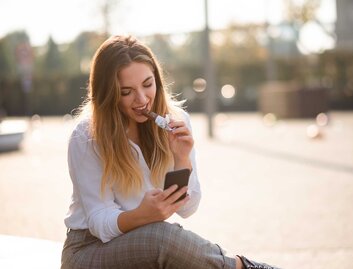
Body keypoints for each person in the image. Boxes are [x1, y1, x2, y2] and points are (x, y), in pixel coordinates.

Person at [61, 35, 281, 269]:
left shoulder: (175, 121)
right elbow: (99, 222)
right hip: (89, 250)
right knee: (162, 239)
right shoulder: (87, 136)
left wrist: (182, 158)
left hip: (145, 240)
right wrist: (141, 215)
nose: (142, 100)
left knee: (166, 241)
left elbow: (188, 207)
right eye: (126, 92)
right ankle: (242, 266)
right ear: (109, 93)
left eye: (148, 84)